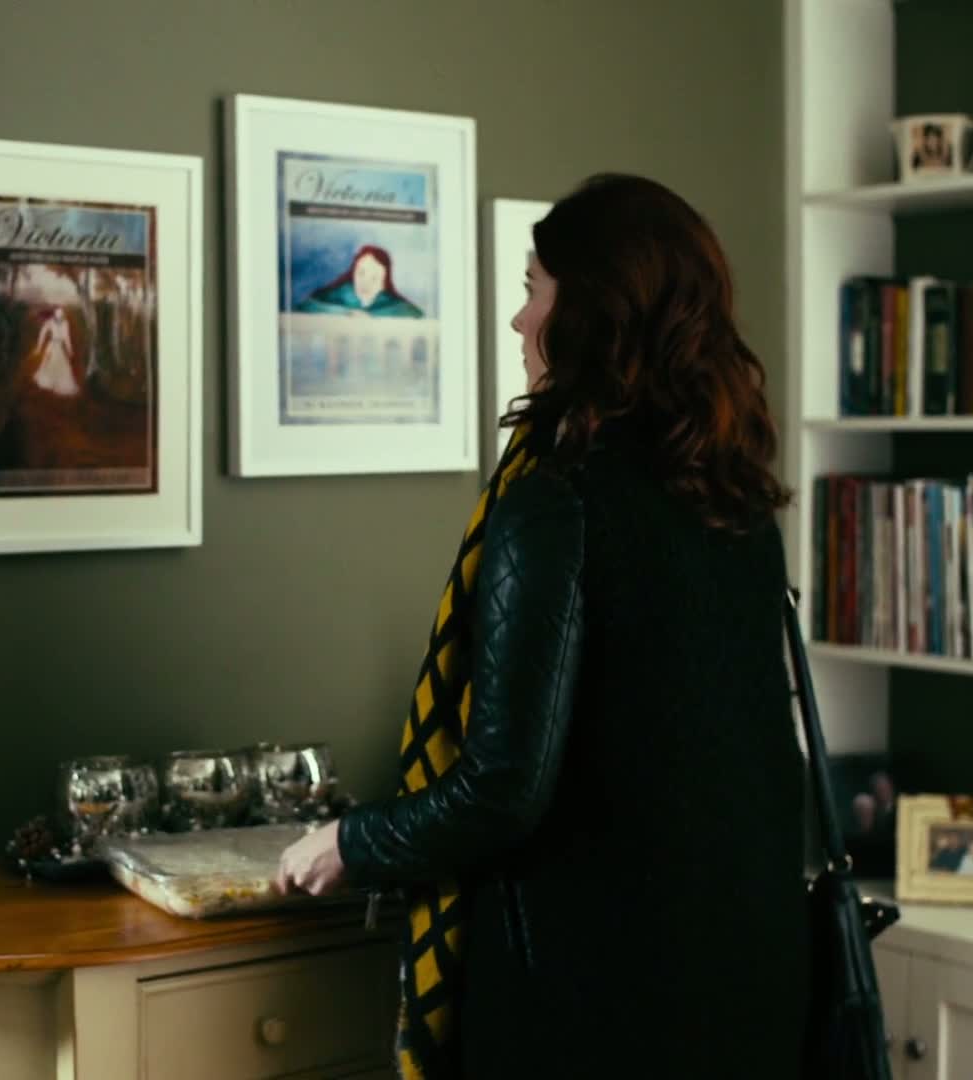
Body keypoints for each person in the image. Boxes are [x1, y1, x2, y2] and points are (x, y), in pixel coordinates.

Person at [274, 174, 806, 1078]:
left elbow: (502, 788)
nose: (521, 321)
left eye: (534, 291)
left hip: (588, 1000)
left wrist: (350, 843)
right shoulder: (733, 497)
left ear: (595, 313)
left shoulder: (555, 503)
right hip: (749, 978)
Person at [294, 245, 425, 317]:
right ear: (353, 273)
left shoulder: (391, 303)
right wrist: (346, 314)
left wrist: (371, 318)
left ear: (384, 282)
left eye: (374, 277)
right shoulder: (338, 294)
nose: (365, 282)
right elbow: (304, 307)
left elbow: (417, 315)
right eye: (361, 273)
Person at [30, 307, 82, 397]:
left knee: (61, 365)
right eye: (58, 313)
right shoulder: (49, 322)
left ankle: (58, 384)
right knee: (49, 363)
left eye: (61, 314)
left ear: (63, 315)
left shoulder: (65, 323)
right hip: (52, 346)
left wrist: (70, 349)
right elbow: (42, 334)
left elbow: (66, 337)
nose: (60, 315)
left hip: (59, 347)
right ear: (54, 314)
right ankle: (49, 382)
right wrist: (39, 347)